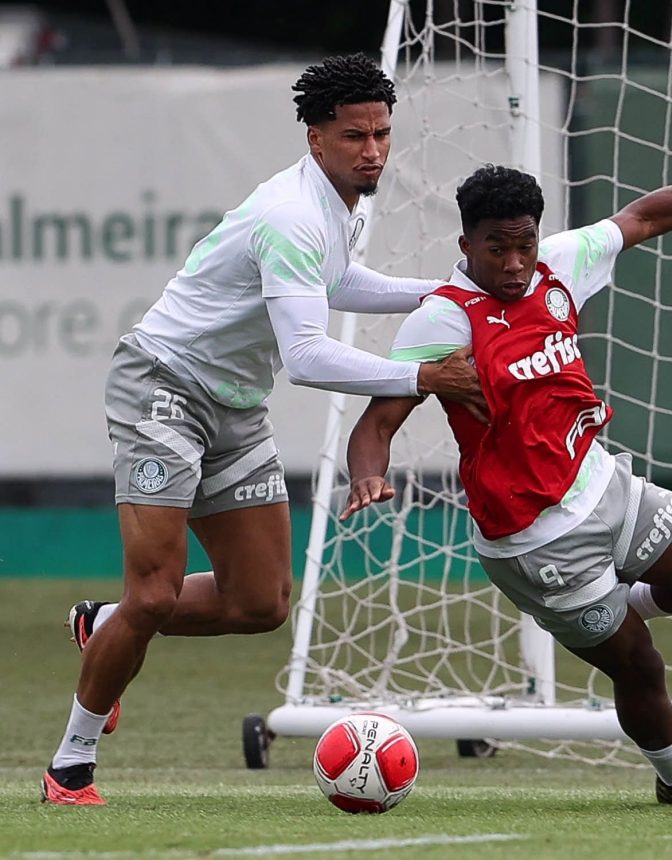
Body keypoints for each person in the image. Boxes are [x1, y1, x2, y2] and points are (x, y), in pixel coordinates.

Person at [41, 53, 486, 806]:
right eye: (354, 137)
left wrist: (443, 294)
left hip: (235, 404)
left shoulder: (344, 202)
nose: (373, 150)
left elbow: (337, 284)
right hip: (164, 387)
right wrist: (422, 376)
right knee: (156, 593)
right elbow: (307, 357)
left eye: (381, 134)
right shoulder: (288, 215)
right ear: (316, 138)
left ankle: (102, 623)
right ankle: (70, 765)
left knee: (262, 603)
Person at [341, 138, 672, 805]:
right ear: (466, 243)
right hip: (534, 539)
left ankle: (621, 600)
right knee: (638, 662)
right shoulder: (441, 319)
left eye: (524, 246)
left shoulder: (560, 264)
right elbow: (377, 422)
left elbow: (645, 217)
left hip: (601, 484)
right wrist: (369, 473)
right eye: (495, 249)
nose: (512, 265)